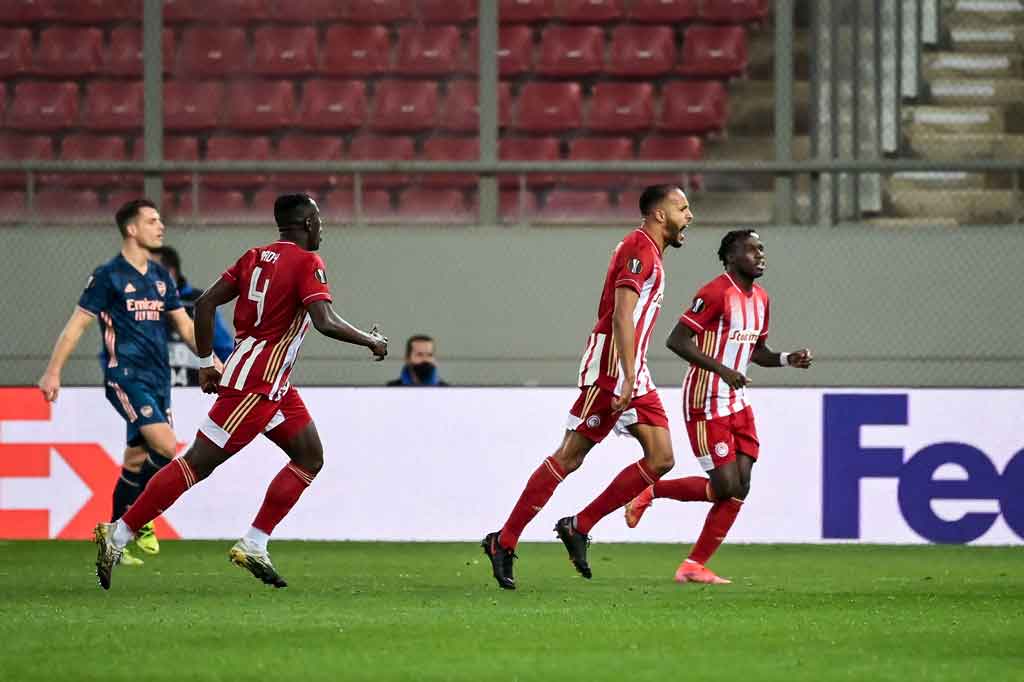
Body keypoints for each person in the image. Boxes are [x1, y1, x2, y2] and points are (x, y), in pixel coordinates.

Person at [92, 193, 388, 591]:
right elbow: (324, 320)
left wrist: (205, 364)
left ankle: (254, 543)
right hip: (255, 385)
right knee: (196, 463)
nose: (322, 227)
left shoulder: (254, 256)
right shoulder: (307, 262)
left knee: (309, 457)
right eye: (318, 219)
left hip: (274, 384)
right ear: (305, 223)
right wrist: (369, 341)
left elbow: (205, 303)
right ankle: (119, 533)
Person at [481, 185, 693, 590]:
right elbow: (621, 316)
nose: (690, 216)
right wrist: (627, 376)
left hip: (633, 369)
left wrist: (636, 373)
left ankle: (579, 525)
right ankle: (503, 541)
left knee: (662, 458)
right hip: (612, 369)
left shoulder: (650, 251)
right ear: (660, 215)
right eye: (683, 208)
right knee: (570, 456)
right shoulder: (639, 247)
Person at [623, 229, 813, 584]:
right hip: (705, 399)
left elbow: (757, 352)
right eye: (752, 249)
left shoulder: (762, 299)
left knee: (741, 485)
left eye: (762, 249)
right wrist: (723, 370)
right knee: (725, 486)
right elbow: (677, 340)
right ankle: (649, 490)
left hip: (737, 400)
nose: (760, 255)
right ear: (730, 256)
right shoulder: (715, 292)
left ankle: (693, 565)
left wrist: (789, 359)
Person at [38, 199, 200, 566]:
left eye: (160, 221)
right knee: (166, 446)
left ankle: (113, 536)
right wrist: (53, 371)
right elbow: (77, 325)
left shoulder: (160, 278)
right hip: (125, 376)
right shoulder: (108, 276)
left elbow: (185, 325)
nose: (161, 227)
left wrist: (211, 358)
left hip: (159, 380)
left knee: (136, 460)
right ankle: (138, 520)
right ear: (131, 229)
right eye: (152, 221)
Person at [151, 245, 235, 387]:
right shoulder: (139, 304)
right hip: (153, 389)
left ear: (170, 272)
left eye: (150, 271)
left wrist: (227, 377)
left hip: (198, 390)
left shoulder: (200, 303)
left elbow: (224, 348)